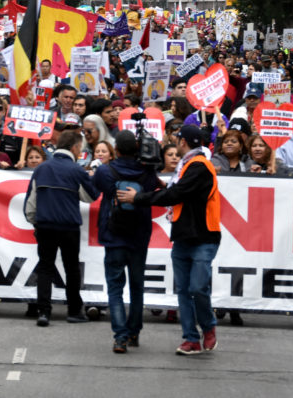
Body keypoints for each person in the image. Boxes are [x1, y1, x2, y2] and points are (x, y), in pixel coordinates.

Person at [117, 125, 221, 356]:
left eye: (179, 139)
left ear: (183, 142)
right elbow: (176, 191)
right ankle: (191, 339)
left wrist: (139, 198)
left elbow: (176, 194)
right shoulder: (188, 165)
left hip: (203, 236)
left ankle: (208, 326)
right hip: (184, 235)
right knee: (184, 290)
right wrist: (162, 186)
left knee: (197, 287)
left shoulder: (199, 166)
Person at [92, 131, 162, 354]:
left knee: (115, 288)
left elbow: (94, 189)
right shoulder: (148, 172)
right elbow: (155, 189)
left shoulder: (105, 171)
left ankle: (120, 337)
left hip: (113, 235)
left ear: (117, 150)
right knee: (137, 286)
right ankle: (134, 332)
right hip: (139, 235)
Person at [24, 130, 99, 326]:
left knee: (45, 267)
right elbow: (90, 197)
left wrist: (35, 222)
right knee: (72, 268)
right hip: (69, 226)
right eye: (80, 148)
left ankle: (43, 312)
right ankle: (74, 311)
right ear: (74, 147)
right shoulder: (77, 170)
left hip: (45, 224)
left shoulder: (42, 169)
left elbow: (30, 203)